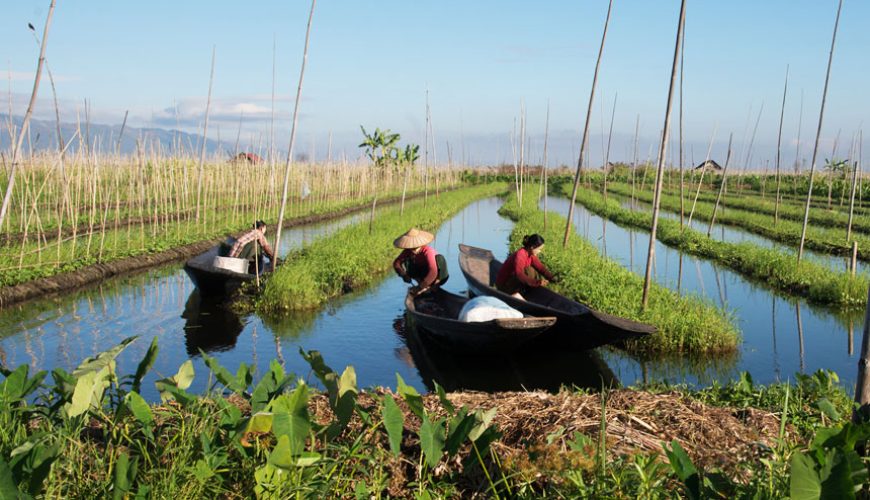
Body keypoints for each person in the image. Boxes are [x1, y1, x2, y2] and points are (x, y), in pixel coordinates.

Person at [495, 233, 557, 300]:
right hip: (504, 286)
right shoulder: (520, 255)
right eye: (539, 249)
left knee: (532, 271)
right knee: (529, 270)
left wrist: (552, 278)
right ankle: (517, 294)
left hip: (513, 282)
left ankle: (524, 292)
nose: (540, 251)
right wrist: (537, 282)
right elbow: (519, 275)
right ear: (532, 247)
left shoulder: (531, 255)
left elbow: (541, 268)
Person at [392, 228, 448, 296]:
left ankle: (434, 286)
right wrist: (403, 275)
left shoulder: (428, 251)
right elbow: (396, 263)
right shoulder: (407, 251)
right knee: (407, 261)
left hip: (436, 275)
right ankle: (422, 284)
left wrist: (419, 288)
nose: (413, 250)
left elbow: (433, 272)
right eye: (411, 248)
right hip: (421, 273)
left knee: (440, 259)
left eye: (415, 248)